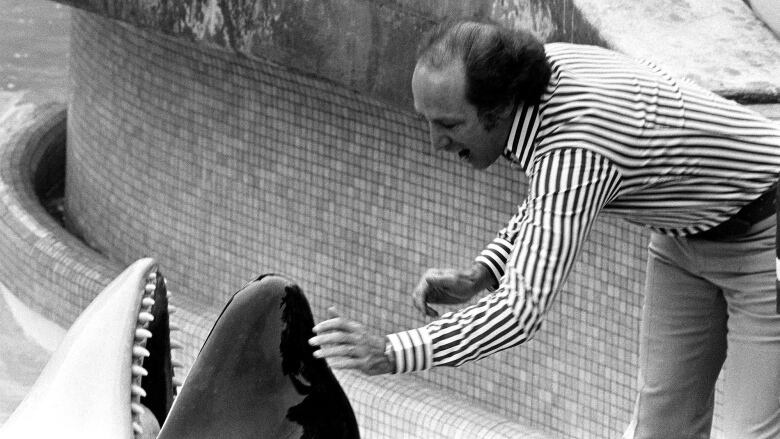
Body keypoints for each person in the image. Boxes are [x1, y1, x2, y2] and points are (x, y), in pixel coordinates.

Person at [308, 20, 780, 438]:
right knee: (660, 423)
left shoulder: (577, 145)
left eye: (449, 124)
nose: (435, 143)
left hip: (767, 231)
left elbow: (519, 313)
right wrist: (484, 272)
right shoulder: (536, 83)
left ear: (498, 108)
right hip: (684, 236)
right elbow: (549, 198)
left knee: (750, 432)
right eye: (427, 122)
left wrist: (392, 350)